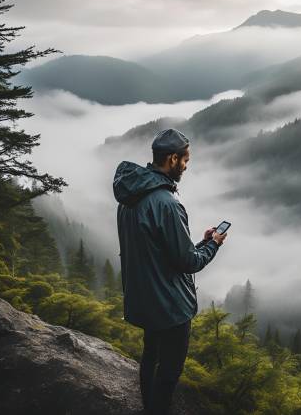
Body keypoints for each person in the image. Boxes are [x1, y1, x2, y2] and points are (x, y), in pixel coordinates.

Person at [113, 128, 227, 415]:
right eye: (186, 161)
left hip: (145, 299)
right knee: (169, 371)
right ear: (173, 159)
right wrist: (213, 245)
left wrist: (201, 242)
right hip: (171, 307)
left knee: (150, 357)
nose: (187, 167)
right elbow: (188, 262)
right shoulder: (167, 203)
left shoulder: (130, 196)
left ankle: (148, 406)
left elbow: (160, 251)